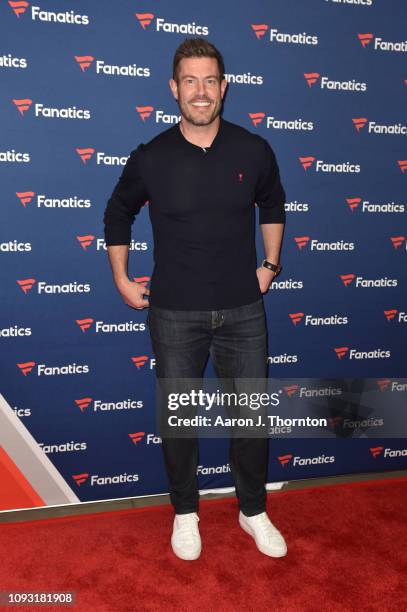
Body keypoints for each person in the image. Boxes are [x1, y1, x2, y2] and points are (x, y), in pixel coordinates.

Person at [103, 38, 287, 561]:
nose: (200, 91)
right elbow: (118, 214)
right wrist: (121, 278)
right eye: (190, 81)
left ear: (224, 88)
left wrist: (270, 267)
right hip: (174, 312)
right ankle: (185, 512)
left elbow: (273, 204)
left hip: (243, 309)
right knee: (180, 420)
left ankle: (253, 510)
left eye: (210, 81)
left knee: (251, 417)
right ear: (174, 89)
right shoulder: (151, 156)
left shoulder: (253, 149)